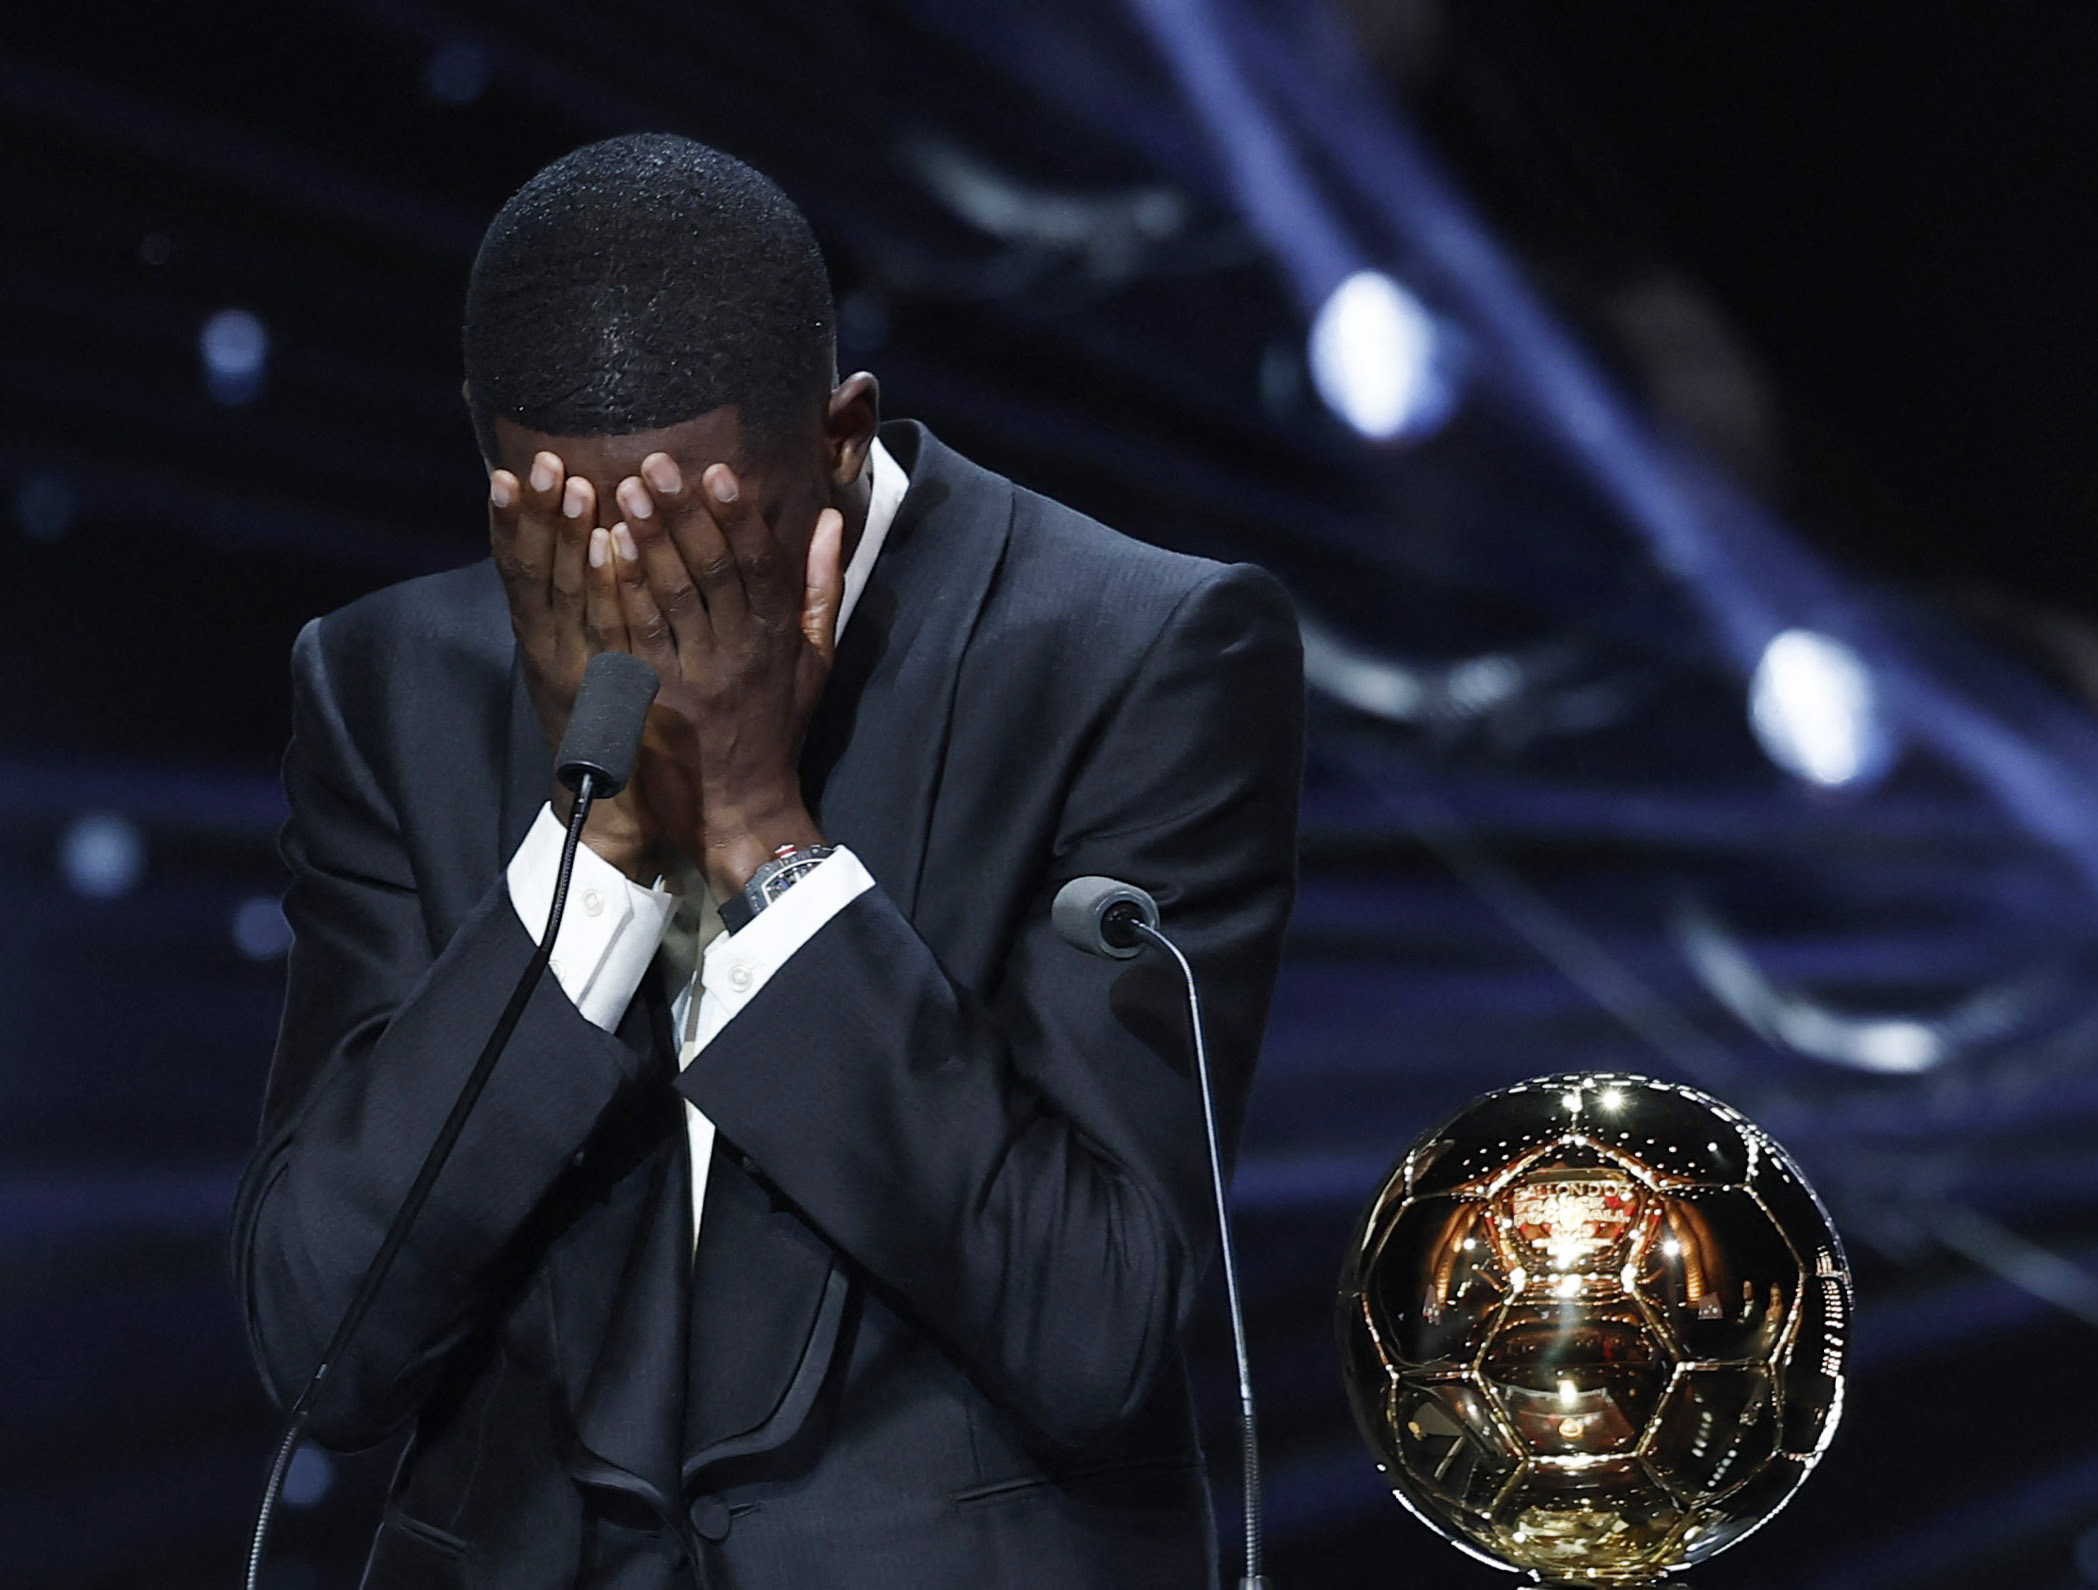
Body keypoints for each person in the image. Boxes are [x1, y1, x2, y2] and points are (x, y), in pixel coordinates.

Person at [231, 132, 1304, 1589]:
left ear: (842, 439)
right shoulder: (387, 685)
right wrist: (596, 852)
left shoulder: (1137, 655)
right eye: (571, 539)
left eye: (704, 545)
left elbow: (1097, 1327)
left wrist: (751, 823)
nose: (638, 607)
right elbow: (323, 1346)